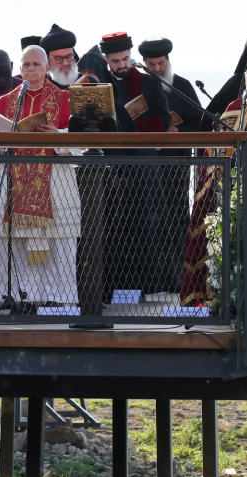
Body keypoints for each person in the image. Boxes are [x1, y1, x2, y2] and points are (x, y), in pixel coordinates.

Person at [0, 45, 81, 308]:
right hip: (12, 182)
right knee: (1, 246)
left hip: (56, 183)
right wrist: (5, 140)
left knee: (60, 246)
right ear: (19, 69)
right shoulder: (5, 102)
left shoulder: (65, 99)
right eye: (26, 65)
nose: (31, 69)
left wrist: (59, 137)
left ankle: (59, 301)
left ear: (47, 67)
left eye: (36, 64)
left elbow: (85, 139)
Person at [100, 32, 172, 296]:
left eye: (126, 59)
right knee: (110, 226)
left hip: (142, 166)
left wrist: (128, 124)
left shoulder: (149, 83)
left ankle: (150, 286)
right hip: (108, 167)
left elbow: (163, 120)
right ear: (106, 59)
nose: (122, 65)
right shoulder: (97, 82)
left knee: (146, 225)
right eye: (116, 60)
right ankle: (109, 287)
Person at [138, 36, 202, 293]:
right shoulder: (139, 88)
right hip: (146, 167)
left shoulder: (182, 87)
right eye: (151, 64)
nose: (156, 69)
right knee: (148, 223)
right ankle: (151, 282)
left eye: (160, 63)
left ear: (168, 61)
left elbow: (200, 122)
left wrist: (179, 132)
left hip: (176, 164)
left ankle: (178, 281)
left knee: (175, 220)